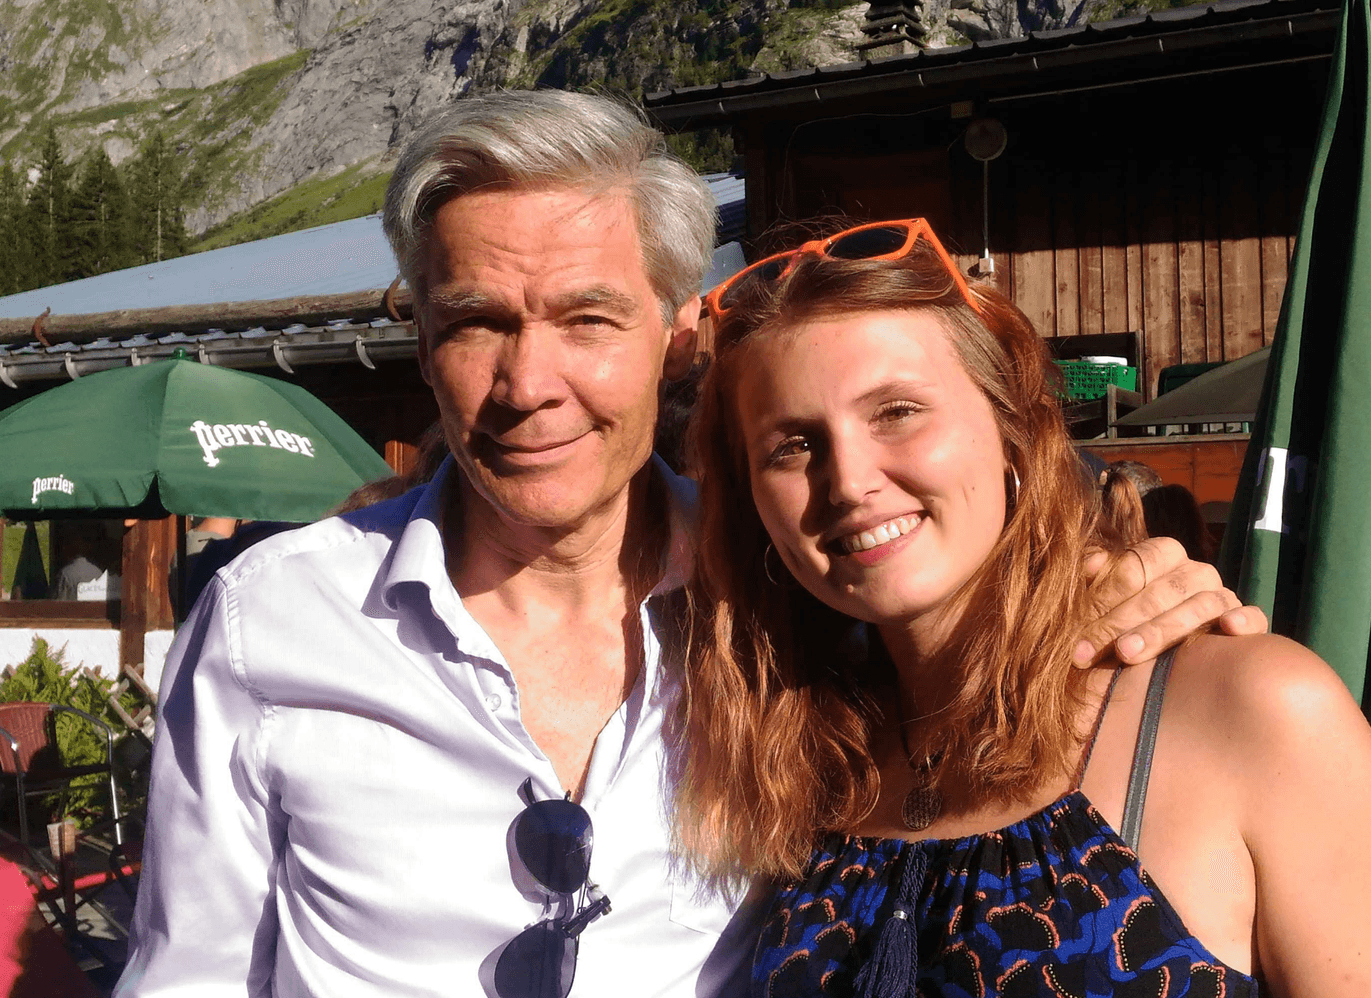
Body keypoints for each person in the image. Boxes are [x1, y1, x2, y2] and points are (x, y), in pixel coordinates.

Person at [118, 94, 1266, 998]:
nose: (528, 383)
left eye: (588, 318)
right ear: (420, 340)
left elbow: (974, 614)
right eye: (476, 323)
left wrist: (1122, 587)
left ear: (675, 340)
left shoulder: (792, 599)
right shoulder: (275, 621)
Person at [675, 219, 1371, 996]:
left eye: (897, 411)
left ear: (1009, 427)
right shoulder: (800, 756)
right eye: (792, 447)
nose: (849, 481)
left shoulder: (1252, 711)